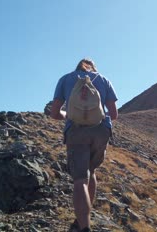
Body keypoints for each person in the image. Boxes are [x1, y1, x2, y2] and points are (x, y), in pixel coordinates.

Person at [50, 58, 118, 232]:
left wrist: (69, 115)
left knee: (80, 178)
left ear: (77, 67)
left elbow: (54, 113)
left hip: (76, 131)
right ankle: (85, 213)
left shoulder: (65, 79)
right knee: (92, 170)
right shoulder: (103, 79)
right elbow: (114, 114)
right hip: (100, 130)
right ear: (93, 68)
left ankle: (84, 226)